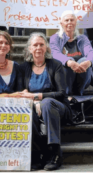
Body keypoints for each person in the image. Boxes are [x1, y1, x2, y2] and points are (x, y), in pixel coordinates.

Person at [18, 32, 72, 171]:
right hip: (34, 106)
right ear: (29, 48)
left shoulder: (56, 65)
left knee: (47, 103)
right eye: (35, 45)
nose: (38, 48)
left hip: (58, 108)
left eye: (41, 44)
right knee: (28, 109)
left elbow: (61, 93)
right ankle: (35, 156)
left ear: (46, 47)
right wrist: (35, 103)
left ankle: (54, 153)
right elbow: (22, 93)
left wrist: (38, 97)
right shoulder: (23, 68)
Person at [50, 10, 93, 96]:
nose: (69, 22)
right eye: (66, 20)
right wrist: (69, 62)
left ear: (76, 22)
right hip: (64, 77)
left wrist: (88, 62)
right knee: (63, 63)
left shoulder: (82, 38)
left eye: (72, 20)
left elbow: (90, 53)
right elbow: (55, 54)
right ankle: (68, 94)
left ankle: (78, 93)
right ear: (61, 23)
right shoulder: (55, 38)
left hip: (82, 76)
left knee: (84, 59)